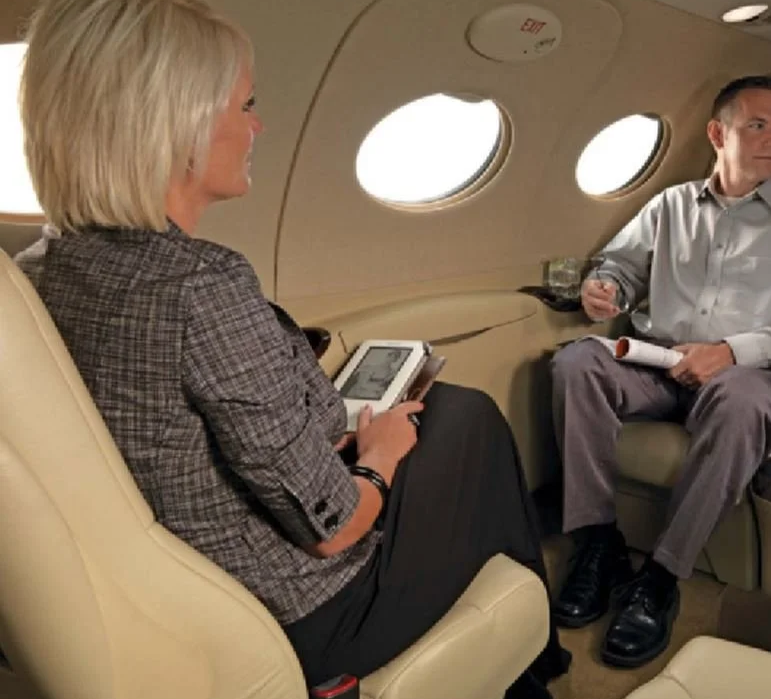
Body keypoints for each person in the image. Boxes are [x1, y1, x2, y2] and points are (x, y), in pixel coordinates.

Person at [15, 1, 567, 696]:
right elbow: (334, 528)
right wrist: (380, 458)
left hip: (185, 583)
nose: (258, 125)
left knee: (445, 420)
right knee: (466, 418)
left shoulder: (39, 264)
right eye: (246, 104)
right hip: (304, 610)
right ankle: (535, 662)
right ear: (175, 122)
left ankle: (525, 665)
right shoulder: (200, 285)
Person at [550, 75, 771, 667]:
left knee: (744, 400)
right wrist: (604, 286)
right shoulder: (669, 204)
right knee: (575, 361)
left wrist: (732, 350)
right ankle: (596, 545)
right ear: (718, 133)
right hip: (656, 363)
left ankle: (661, 577)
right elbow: (620, 265)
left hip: (744, 376)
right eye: (757, 126)